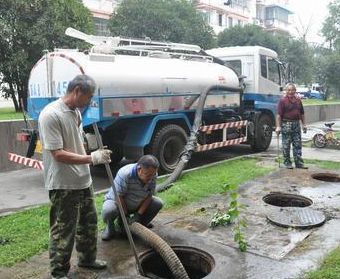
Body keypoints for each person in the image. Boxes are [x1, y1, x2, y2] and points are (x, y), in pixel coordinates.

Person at [38, 74, 112, 279]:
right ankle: (59, 272)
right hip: (63, 184)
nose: (89, 101)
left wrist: (92, 150)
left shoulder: (76, 112)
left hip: (82, 180)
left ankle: (87, 259)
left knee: (88, 225)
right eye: (88, 97)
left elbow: (77, 142)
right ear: (77, 91)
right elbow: (58, 154)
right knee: (63, 231)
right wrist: (92, 158)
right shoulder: (50, 115)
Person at [101, 155, 163, 241]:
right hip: (118, 202)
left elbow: (149, 195)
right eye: (148, 175)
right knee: (108, 210)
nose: (151, 178)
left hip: (138, 202)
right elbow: (119, 196)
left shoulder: (152, 174)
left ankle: (140, 225)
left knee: (158, 203)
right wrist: (125, 215)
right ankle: (110, 228)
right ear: (139, 169)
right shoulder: (125, 173)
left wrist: (139, 214)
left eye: (153, 174)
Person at [275, 83, 308, 169]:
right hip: (286, 124)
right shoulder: (282, 101)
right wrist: (278, 126)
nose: (291, 92)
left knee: (297, 144)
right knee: (286, 145)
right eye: (289, 90)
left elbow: (302, 113)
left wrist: (304, 125)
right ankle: (287, 163)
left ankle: (299, 163)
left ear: (295, 91)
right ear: (286, 91)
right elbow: (279, 115)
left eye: (292, 90)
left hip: (296, 124)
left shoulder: (298, 100)